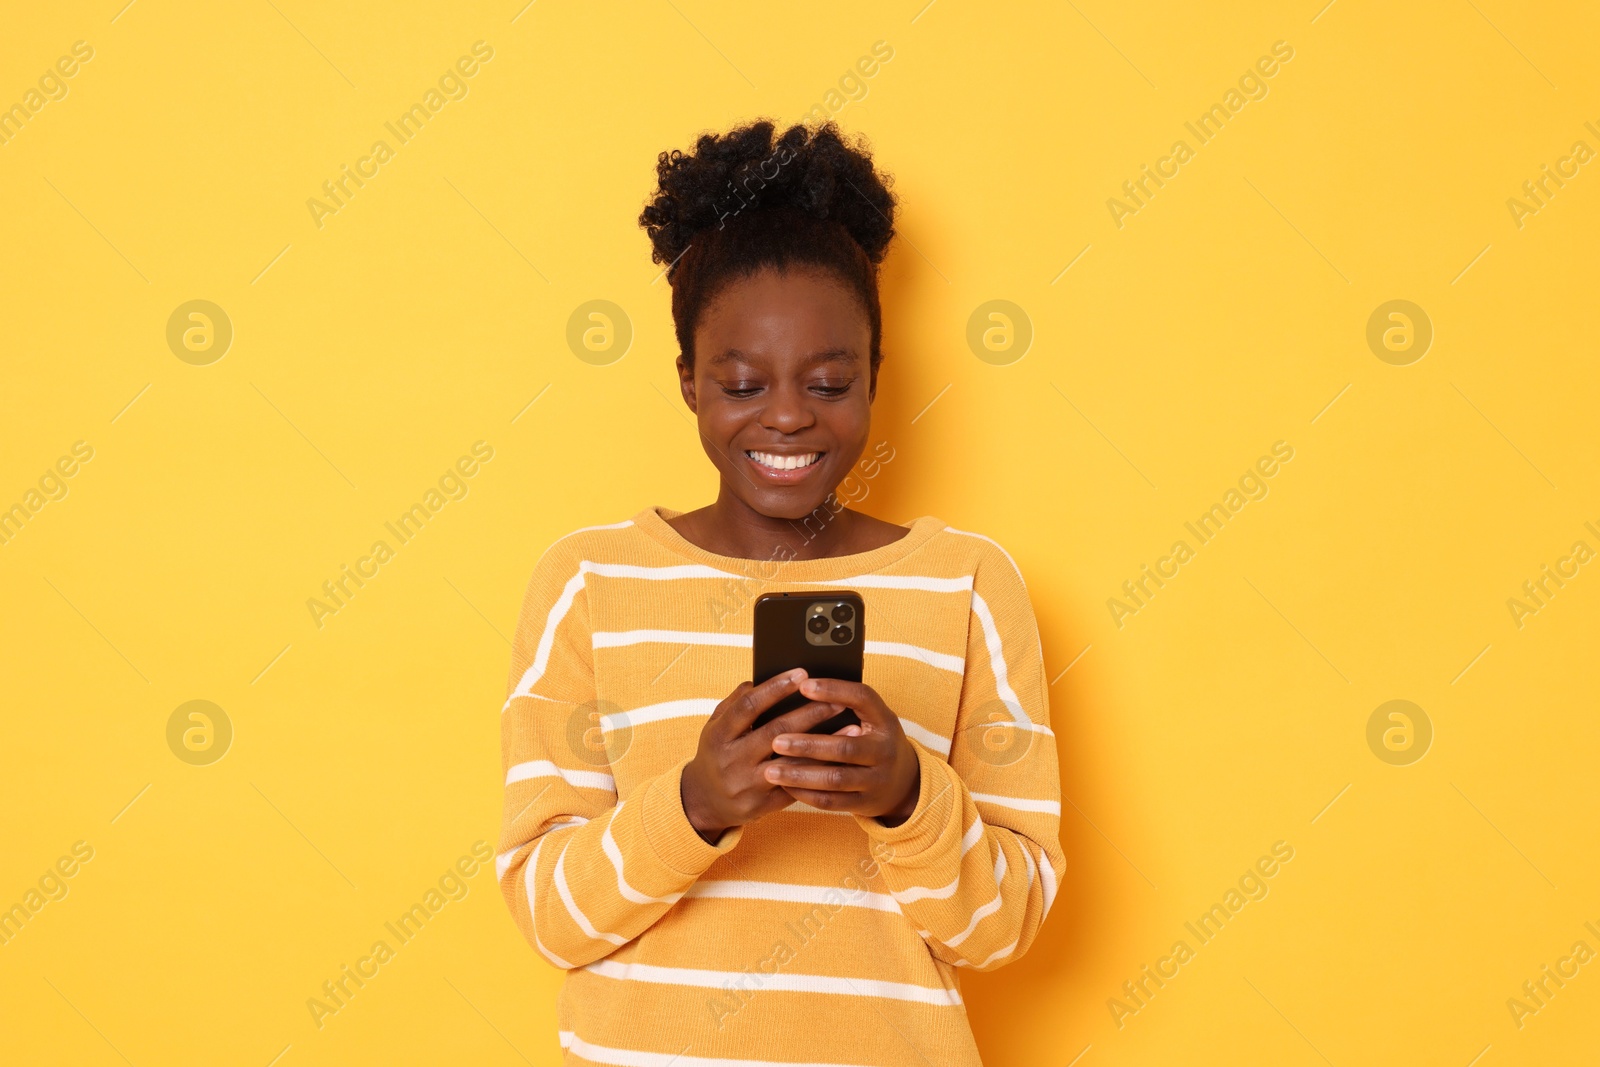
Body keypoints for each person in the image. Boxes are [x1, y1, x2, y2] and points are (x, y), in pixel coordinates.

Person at [497, 119, 1063, 1067]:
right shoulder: (587, 583)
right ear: (687, 382)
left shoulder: (967, 584)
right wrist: (697, 802)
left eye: (830, 380)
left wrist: (907, 796)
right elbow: (553, 917)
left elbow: (1005, 927)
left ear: (877, 376)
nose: (789, 414)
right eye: (744, 382)